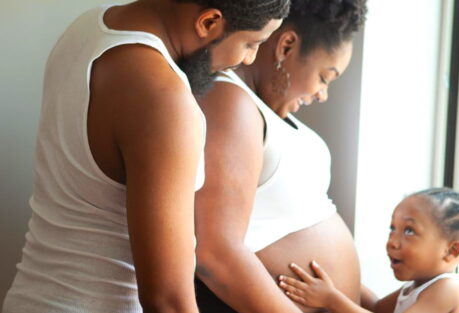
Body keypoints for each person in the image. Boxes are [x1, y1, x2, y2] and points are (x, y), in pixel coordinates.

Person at [1, 0, 290, 312]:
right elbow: (168, 301)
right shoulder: (164, 99)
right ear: (208, 22)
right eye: (251, 43)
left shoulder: (90, 27)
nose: (248, 59)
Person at [194, 0, 367, 312]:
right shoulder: (230, 103)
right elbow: (215, 255)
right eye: (325, 77)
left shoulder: (264, 110)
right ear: (286, 46)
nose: (322, 94)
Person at [278, 188, 459, 313]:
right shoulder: (415, 288)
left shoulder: (447, 289)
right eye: (393, 228)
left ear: (451, 251)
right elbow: (376, 308)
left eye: (409, 231)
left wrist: (331, 298)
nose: (392, 241)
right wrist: (339, 275)